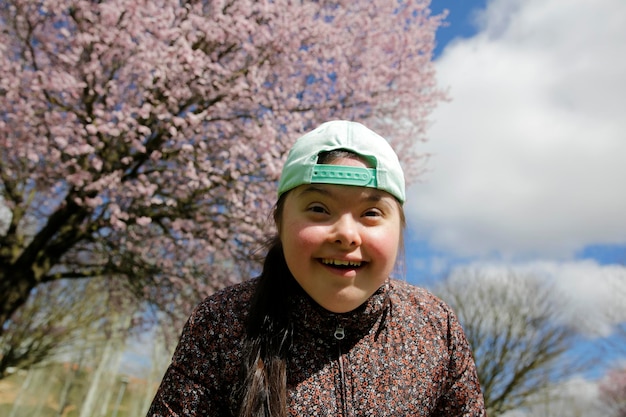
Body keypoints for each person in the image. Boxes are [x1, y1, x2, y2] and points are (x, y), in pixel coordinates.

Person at [146, 120, 487, 416]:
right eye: (319, 208)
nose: (347, 235)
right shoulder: (222, 321)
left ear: (400, 228)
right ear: (280, 221)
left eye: (371, 213)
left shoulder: (434, 328)